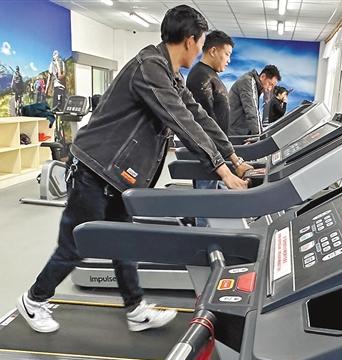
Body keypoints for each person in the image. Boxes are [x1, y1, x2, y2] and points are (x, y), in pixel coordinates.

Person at [17, 4, 252, 334]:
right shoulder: (150, 67)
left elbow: (197, 115)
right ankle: (33, 299)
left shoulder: (170, 74)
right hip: (95, 168)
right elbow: (181, 121)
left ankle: (135, 309)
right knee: (77, 244)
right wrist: (222, 171)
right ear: (190, 40)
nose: (200, 50)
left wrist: (234, 159)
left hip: (116, 174)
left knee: (124, 242)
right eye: (200, 43)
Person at [185, 30, 241, 226]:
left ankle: (210, 233)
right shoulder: (200, 76)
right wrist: (231, 157)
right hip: (207, 152)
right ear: (213, 51)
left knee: (213, 200)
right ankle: (203, 237)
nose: (228, 60)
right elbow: (203, 122)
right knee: (206, 204)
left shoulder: (210, 75)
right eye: (227, 54)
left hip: (215, 151)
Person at [228, 64, 281, 136]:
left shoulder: (256, 87)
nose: (270, 88)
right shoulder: (248, 81)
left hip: (240, 131)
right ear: (262, 77)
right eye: (270, 84)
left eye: (272, 86)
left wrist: (261, 133)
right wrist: (258, 136)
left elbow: (256, 113)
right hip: (234, 132)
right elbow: (251, 111)